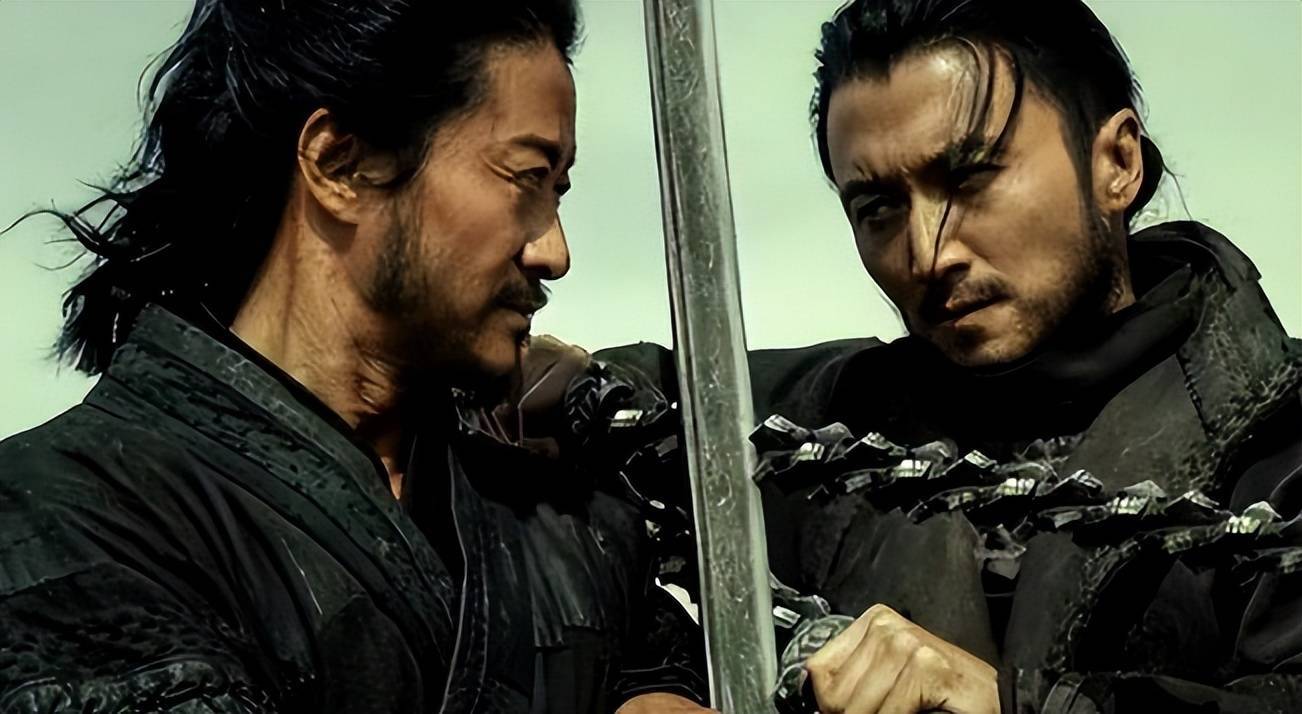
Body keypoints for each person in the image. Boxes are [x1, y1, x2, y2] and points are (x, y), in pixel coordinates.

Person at [591, 0, 1302, 711]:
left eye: (969, 180)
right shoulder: (835, 420)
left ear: (1117, 162)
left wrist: (1015, 703)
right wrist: (660, 681)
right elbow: (607, 407)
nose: (927, 254)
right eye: (879, 207)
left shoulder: (1280, 433)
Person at [0, 1, 707, 711]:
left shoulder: (585, 537)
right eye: (527, 177)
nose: (554, 252)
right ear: (340, 165)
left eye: (558, 192)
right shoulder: (67, 517)